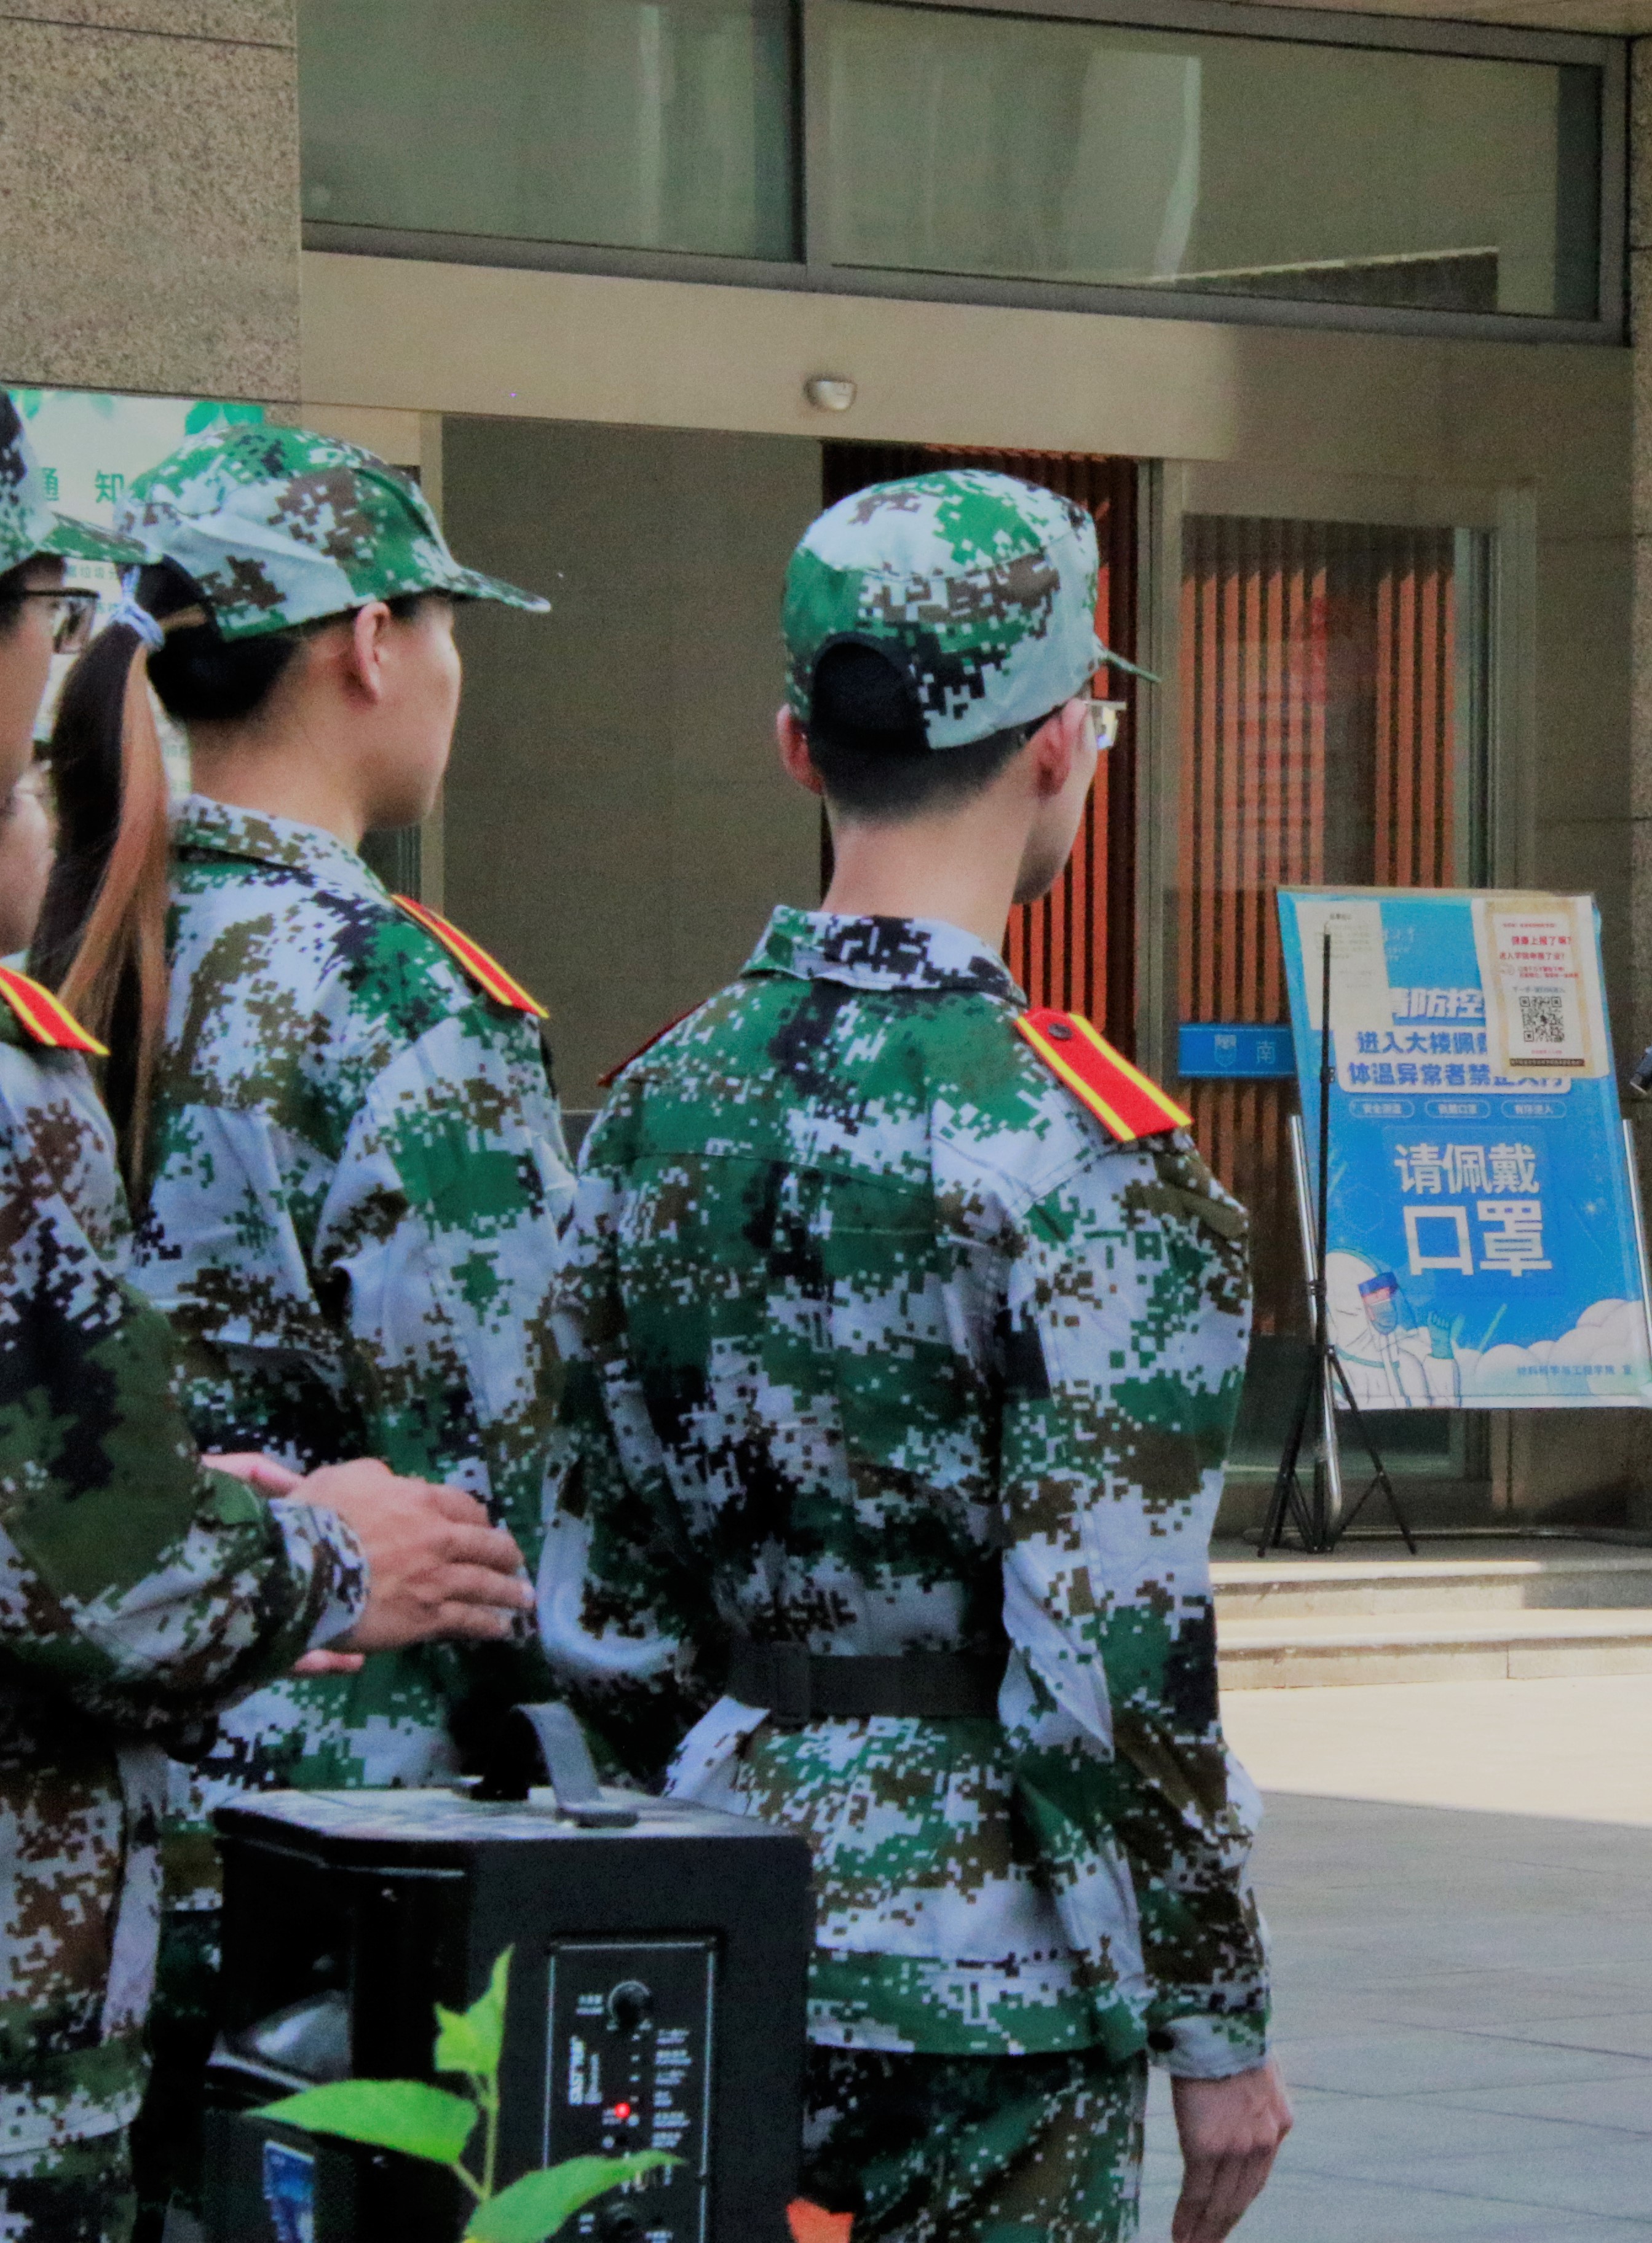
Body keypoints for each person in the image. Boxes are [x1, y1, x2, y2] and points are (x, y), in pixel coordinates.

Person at [542, 470, 1289, 2243]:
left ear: (796, 748)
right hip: (990, 1973)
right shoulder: (1084, 1151)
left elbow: (595, 1574)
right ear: (1063, 744)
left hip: (709, 1898)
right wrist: (1213, 2013)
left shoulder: (655, 1105)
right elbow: (1116, 1651)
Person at [0, 403, 534, 2240]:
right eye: (445, 624)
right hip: (345, 1842)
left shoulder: (73, 938)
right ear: (373, 644)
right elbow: (498, 1482)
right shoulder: (401, 1003)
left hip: (96, 1853)